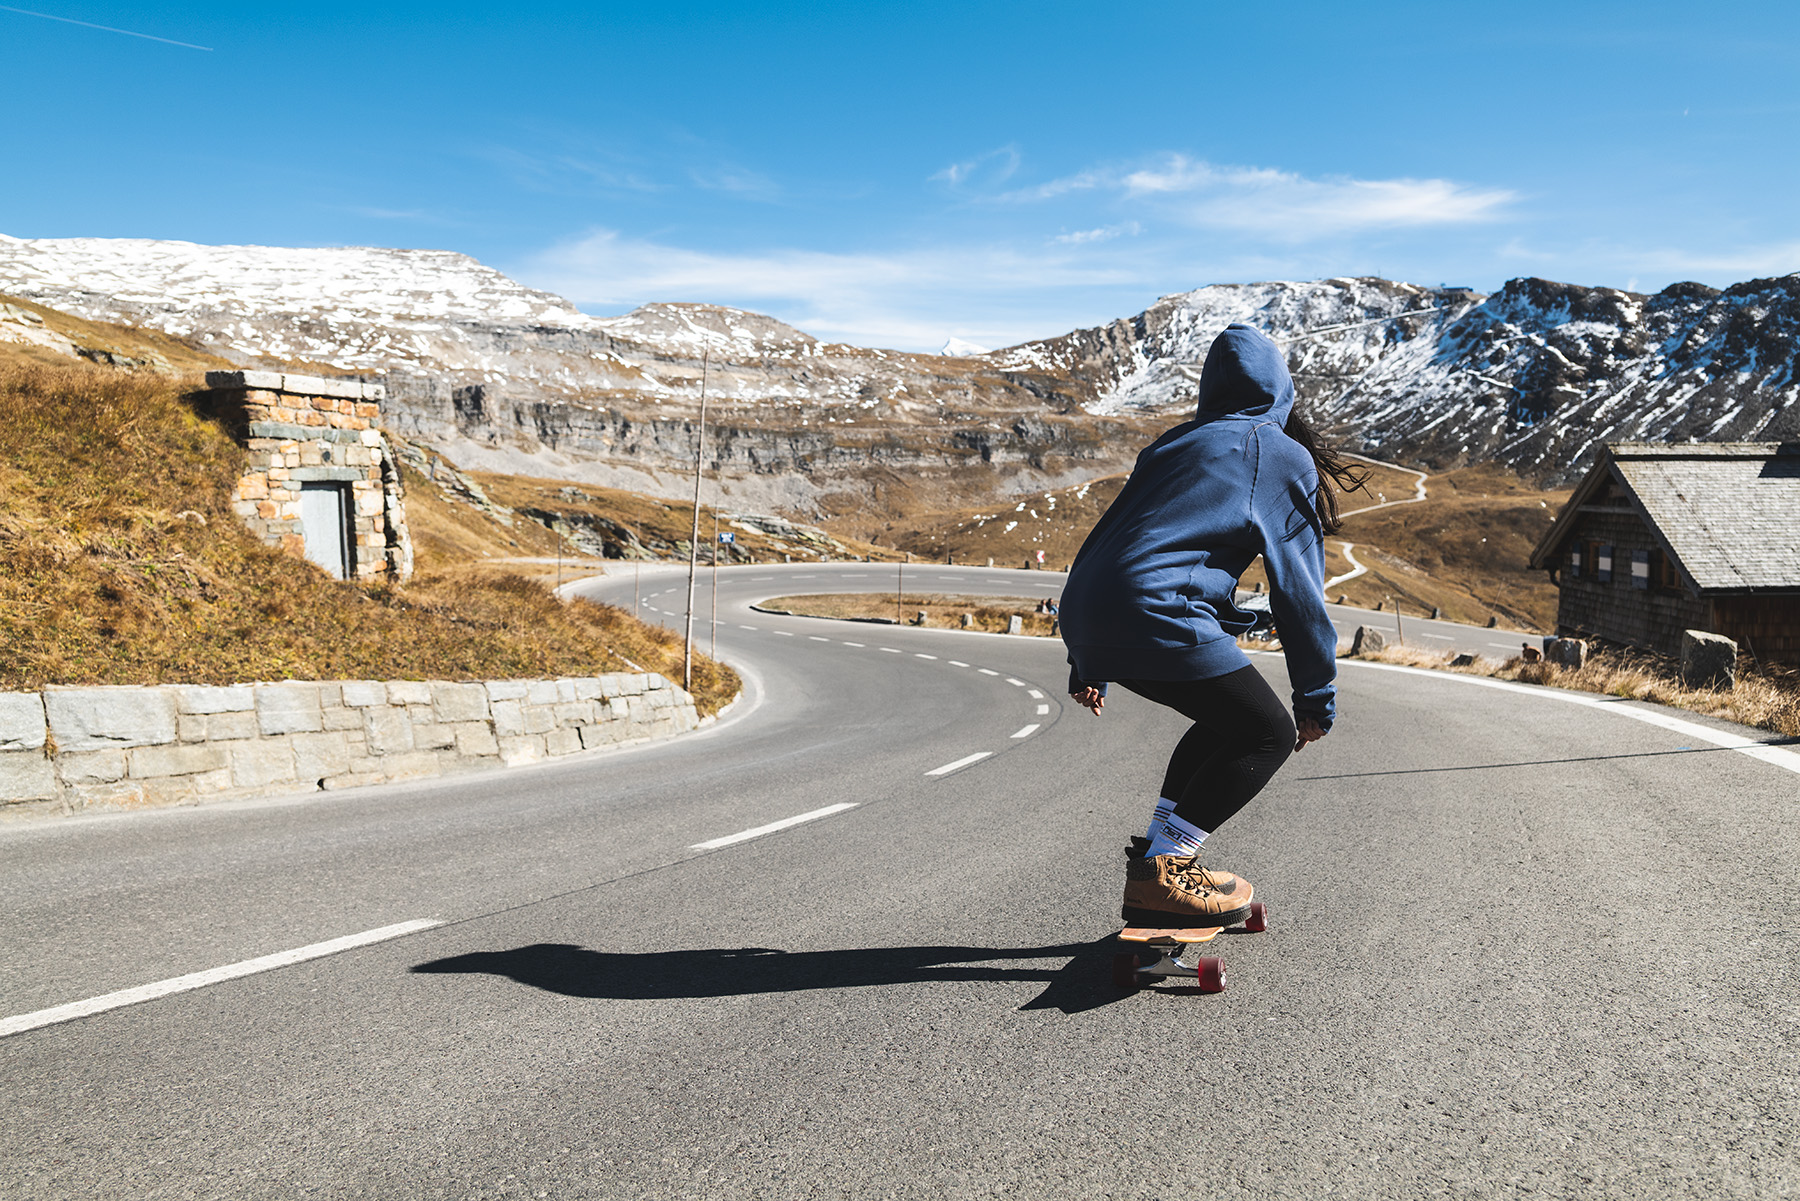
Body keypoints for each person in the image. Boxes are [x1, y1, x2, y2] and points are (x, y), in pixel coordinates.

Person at [1059, 324, 1365, 928]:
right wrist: (1315, 696)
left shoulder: (1175, 442)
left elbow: (1123, 542)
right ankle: (1167, 871)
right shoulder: (1276, 452)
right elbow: (1299, 594)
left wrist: (1087, 660)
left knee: (1227, 719)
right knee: (1268, 733)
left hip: (1086, 607)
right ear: (1281, 388)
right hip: (1156, 610)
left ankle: (1158, 853)